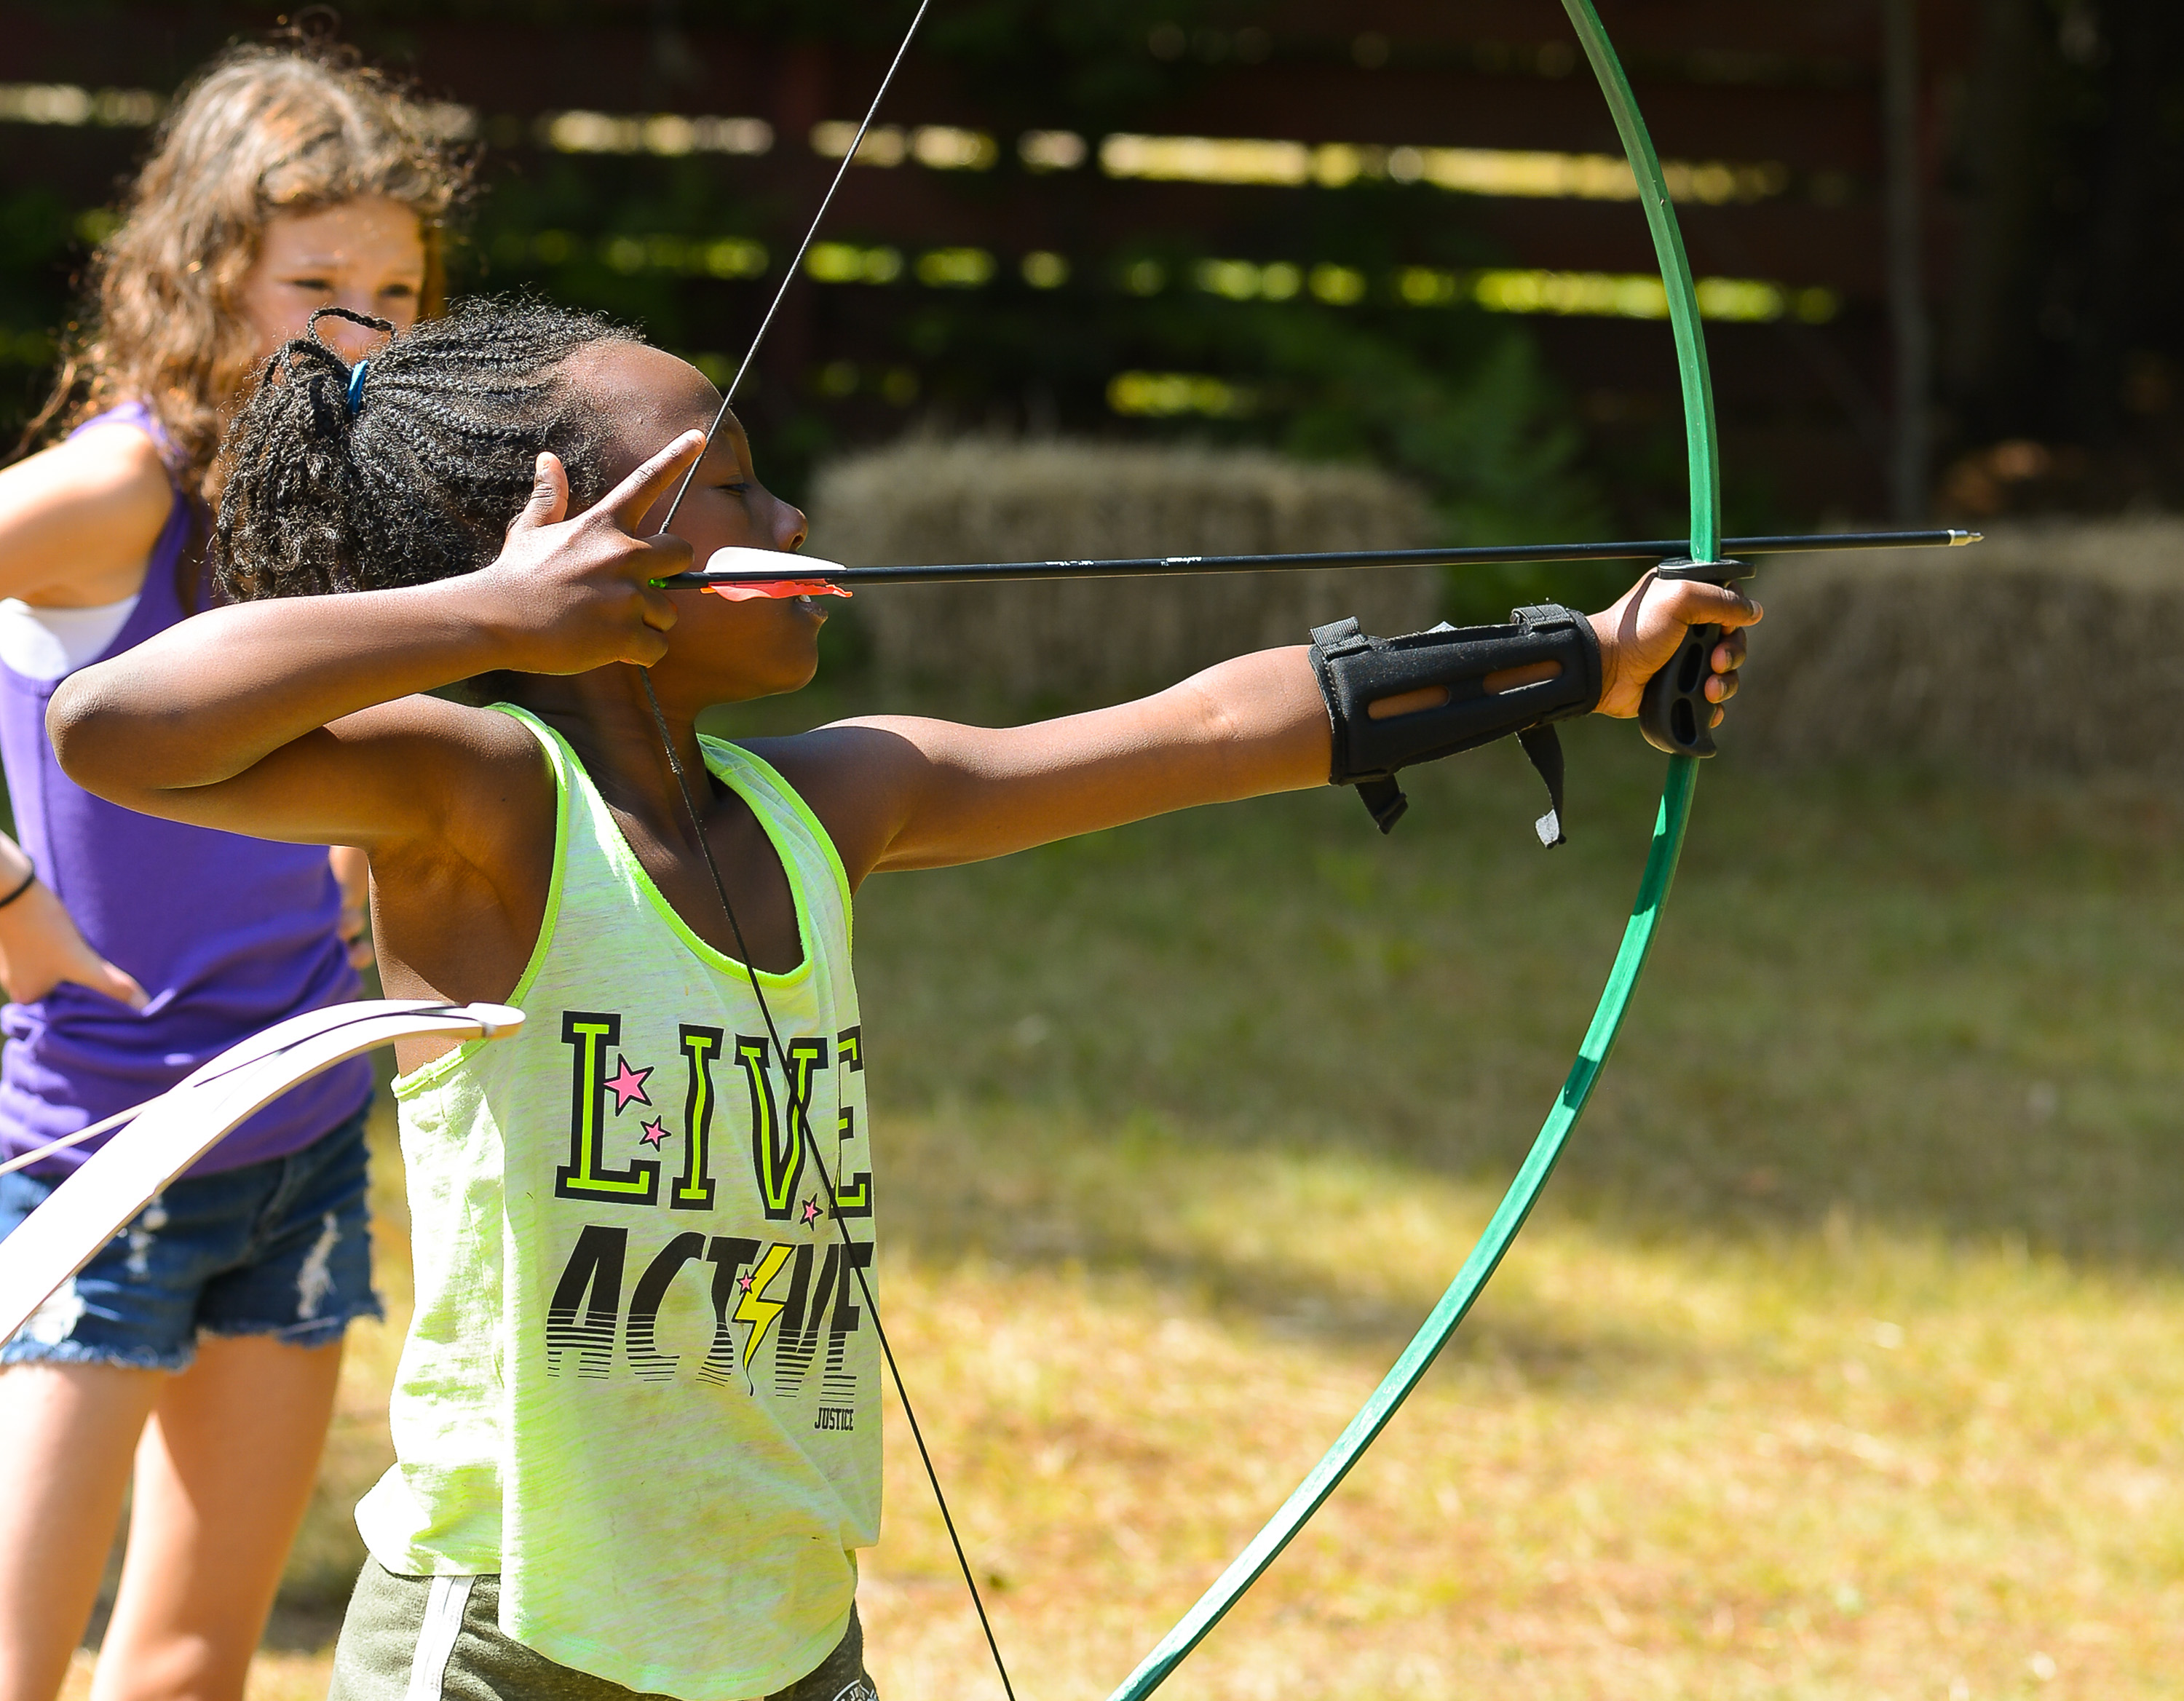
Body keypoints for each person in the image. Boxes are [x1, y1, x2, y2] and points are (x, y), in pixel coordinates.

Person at [48, 299, 1759, 1701]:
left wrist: (1581, 660)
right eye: (728, 488)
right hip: (515, 1632)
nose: (791, 521)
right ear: (573, 530)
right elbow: (111, 726)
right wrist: (488, 615)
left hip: (782, 1620)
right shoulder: (485, 811)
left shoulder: (834, 801)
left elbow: (1212, 727)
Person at [0, 39, 462, 1701]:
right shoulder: (116, 490)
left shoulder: (327, 497)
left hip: (299, 1140)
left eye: (397, 288)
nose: (362, 325)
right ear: (208, 273)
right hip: (95, 1155)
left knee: (194, 1659)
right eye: (314, 279)